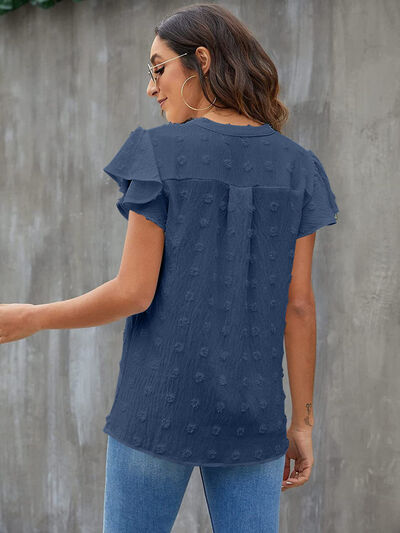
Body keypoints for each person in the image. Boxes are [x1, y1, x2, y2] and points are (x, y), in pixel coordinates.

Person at [0, 4, 339, 532]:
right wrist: (303, 422)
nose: (151, 87)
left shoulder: (157, 152)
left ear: (200, 60)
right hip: (253, 419)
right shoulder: (299, 167)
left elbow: (133, 292)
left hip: (156, 408)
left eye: (158, 68)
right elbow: (299, 307)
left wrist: (32, 317)